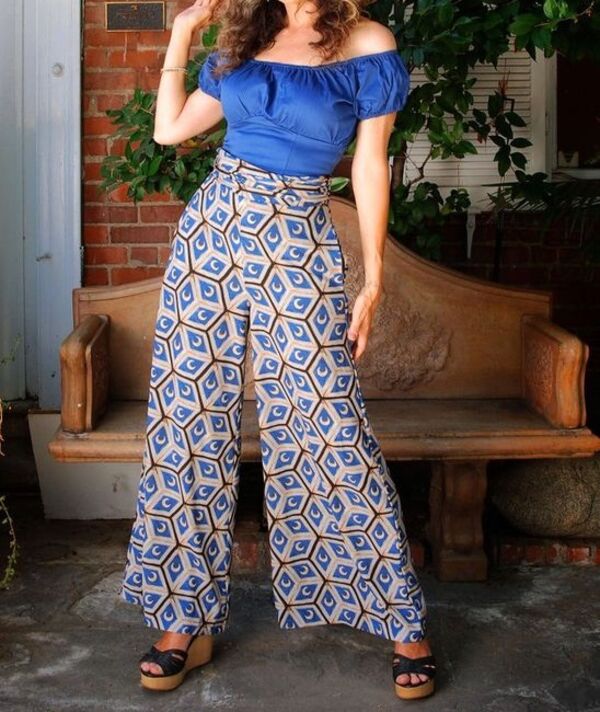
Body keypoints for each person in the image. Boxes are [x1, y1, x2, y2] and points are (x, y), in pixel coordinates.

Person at [119, 0, 436, 700]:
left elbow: (370, 163)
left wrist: (374, 279)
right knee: (187, 419)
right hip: (211, 234)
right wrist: (183, 32)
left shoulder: (366, 42)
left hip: (297, 236)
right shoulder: (245, 35)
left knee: (328, 420)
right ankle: (182, 618)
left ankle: (400, 618)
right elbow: (170, 130)